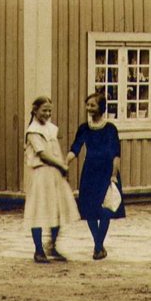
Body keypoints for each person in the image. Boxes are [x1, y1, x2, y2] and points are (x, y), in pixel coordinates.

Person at [65, 91, 124, 260]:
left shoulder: (110, 129)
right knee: (90, 210)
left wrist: (114, 175)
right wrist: (65, 162)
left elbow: (116, 154)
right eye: (87, 105)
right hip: (90, 171)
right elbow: (75, 149)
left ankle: (98, 245)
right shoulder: (84, 128)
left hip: (107, 172)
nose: (88, 108)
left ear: (102, 108)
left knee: (106, 209)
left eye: (92, 105)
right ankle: (98, 246)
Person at [23, 95, 79, 263]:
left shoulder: (51, 129)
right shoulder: (33, 131)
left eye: (49, 111)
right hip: (42, 173)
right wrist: (61, 165)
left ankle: (52, 245)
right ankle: (38, 249)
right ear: (35, 110)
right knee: (39, 210)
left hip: (54, 173)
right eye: (44, 110)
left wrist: (61, 167)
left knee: (57, 209)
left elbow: (55, 150)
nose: (47, 114)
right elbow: (43, 154)